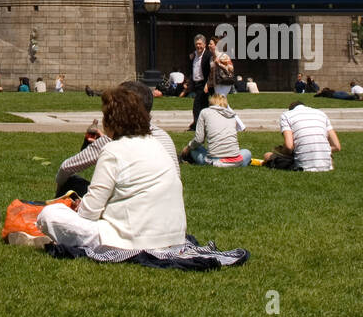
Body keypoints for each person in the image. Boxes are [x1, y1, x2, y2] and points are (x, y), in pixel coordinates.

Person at [37, 87, 187, 256]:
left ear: (111, 120)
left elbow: (89, 212)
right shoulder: (157, 144)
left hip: (133, 241)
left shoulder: (113, 150)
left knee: (49, 215)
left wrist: (81, 206)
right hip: (174, 239)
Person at [55, 80, 180, 199]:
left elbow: (66, 168)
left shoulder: (114, 142)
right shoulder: (163, 137)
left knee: (70, 185)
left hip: (132, 208)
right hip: (168, 204)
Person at [262, 100, 340, 171]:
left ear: (291, 109)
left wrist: (282, 151)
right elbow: (337, 146)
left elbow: (289, 147)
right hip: (326, 165)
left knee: (267, 155)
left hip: (302, 166)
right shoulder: (321, 113)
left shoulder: (286, 115)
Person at [180, 94, 251, 167]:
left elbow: (199, 139)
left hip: (215, 162)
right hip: (235, 160)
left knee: (194, 149)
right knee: (247, 152)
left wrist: (188, 147)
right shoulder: (232, 115)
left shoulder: (205, 112)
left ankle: (188, 158)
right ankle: (237, 164)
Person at [188, 33, 212, 129]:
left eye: (200, 44)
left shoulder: (208, 55)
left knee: (197, 105)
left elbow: (211, 71)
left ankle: (197, 125)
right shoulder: (193, 55)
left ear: (204, 44)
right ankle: (201, 125)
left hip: (204, 84)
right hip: (196, 84)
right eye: (197, 44)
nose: (198, 46)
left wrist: (208, 84)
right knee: (202, 105)